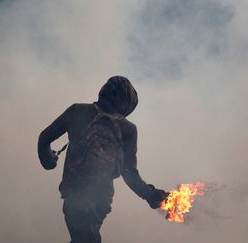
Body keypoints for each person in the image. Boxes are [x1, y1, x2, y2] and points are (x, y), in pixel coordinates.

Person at [38, 76, 168, 243]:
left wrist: (48, 160)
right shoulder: (127, 129)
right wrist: (150, 195)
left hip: (74, 196)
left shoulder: (78, 111)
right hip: (100, 201)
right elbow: (129, 173)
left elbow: (44, 138)